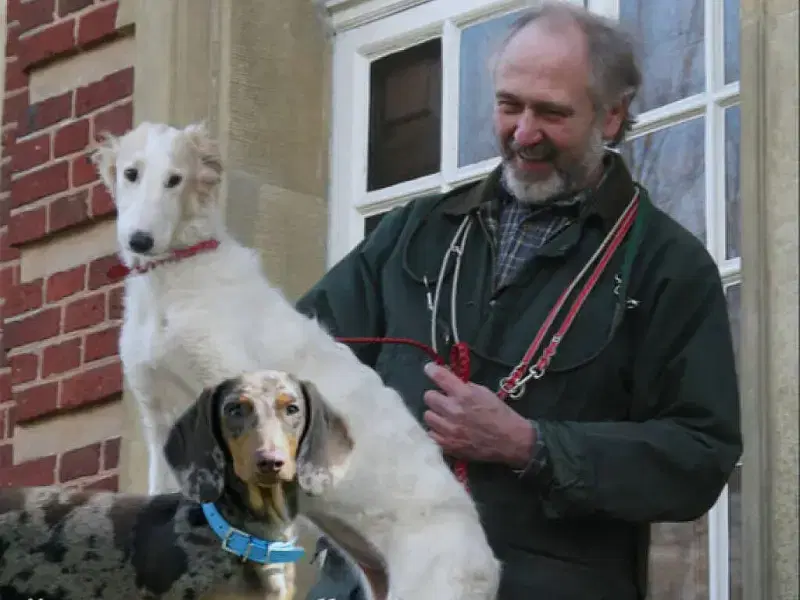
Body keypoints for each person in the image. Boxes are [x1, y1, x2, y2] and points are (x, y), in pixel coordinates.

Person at [297, 2, 743, 599]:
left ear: (612, 116)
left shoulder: (669, 266)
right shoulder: (414, 230)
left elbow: (700, 455)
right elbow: (297, 357)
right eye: (510, 106)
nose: (524, 134)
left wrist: (531, 445)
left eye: (551, 113)